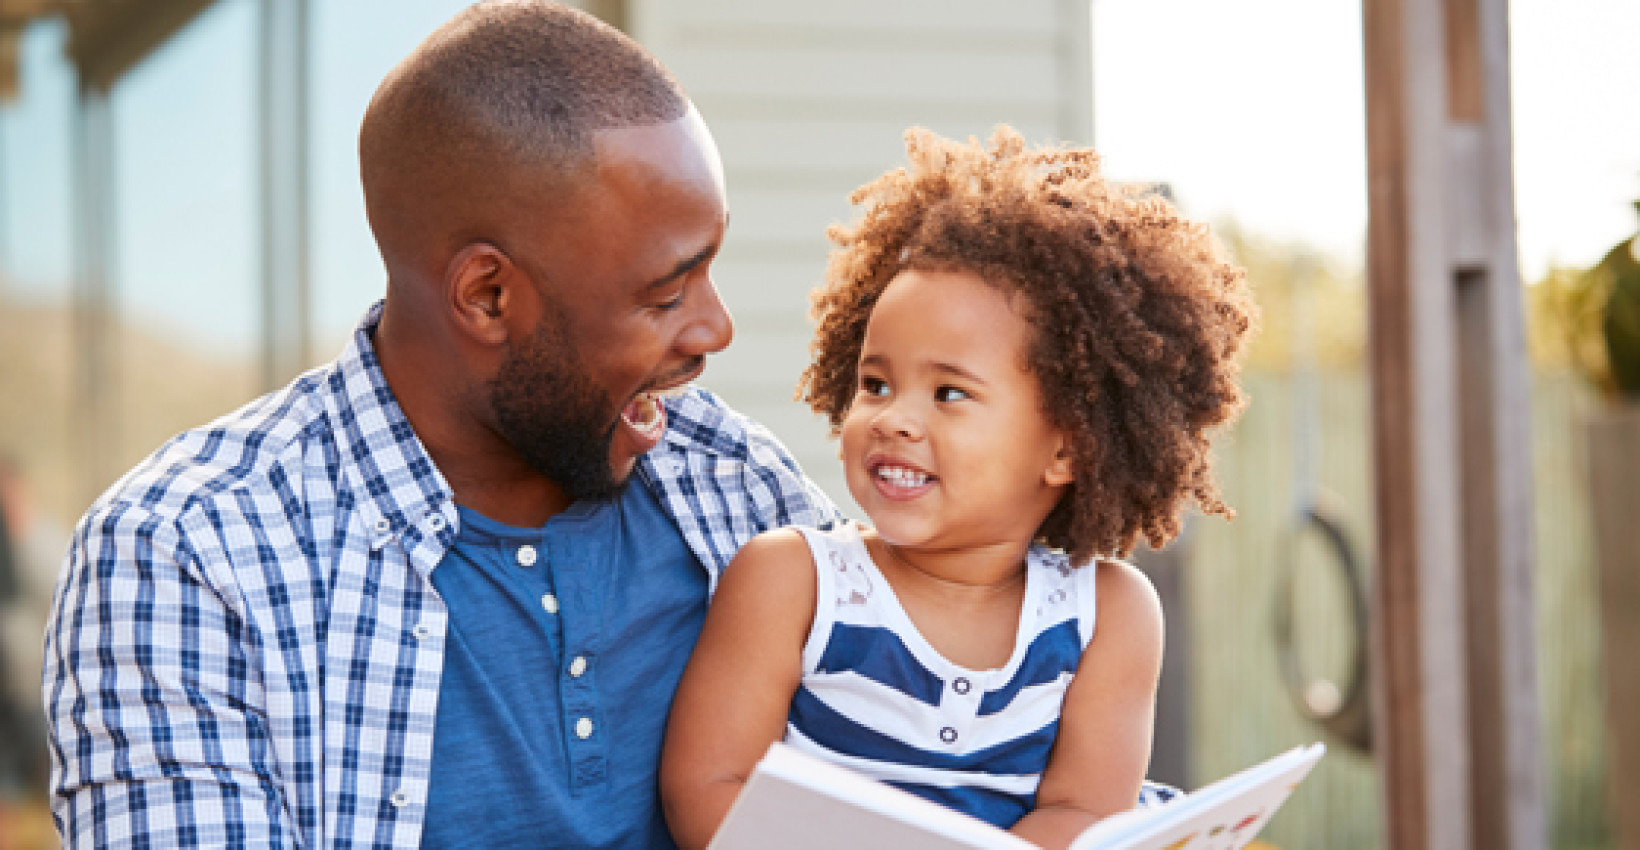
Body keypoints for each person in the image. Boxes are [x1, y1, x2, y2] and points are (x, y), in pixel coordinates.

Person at [41, 2, 837, 848]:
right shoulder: (188, 557)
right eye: (665, 295)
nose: (715, 330)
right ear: (487, 297)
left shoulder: (743, 491)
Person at [660, 127, 1258, 850]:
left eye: (949, 393)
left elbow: (1082, 812)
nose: (894, 419)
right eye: (875, 383)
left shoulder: (1109, 616)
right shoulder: (792, 582)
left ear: (1068, 446)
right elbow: (708, 790)